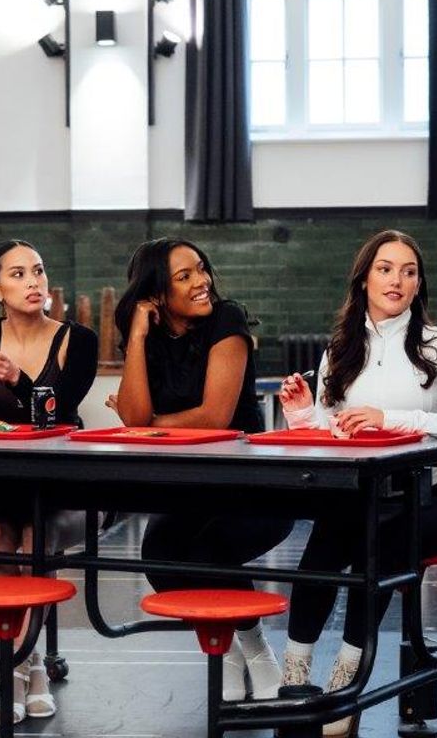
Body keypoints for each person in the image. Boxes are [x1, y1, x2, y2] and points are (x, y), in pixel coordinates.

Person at [276, 229, 437, 738]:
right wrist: (303, 417)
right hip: (359, 497)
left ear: (418, 285)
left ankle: (346, 686)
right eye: (386, 268)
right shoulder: (339, 349)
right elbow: (334, 429)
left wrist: (391, 419)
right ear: (365, 278)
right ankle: (294, 679)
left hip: (426, 498)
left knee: (383, 547)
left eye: (409, 271)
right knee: (321, 552)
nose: (398, 279)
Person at [111, 237, 293, 702]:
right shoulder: (146, 334)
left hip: (256, 483)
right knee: (159, 555)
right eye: (185, 276)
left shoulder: (226, 320)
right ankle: (229, 652)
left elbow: (214, 416)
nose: (202, 281)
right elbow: (133, 418)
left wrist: (152, 424)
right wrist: (136, 335)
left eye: (201, 269)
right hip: (195, 488)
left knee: (211, 551)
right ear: (156, 293)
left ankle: (256, 650)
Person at [0, 239, 98, 725]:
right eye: (17, 274)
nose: (33, 282)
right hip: (1, 477)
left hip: (63, 481)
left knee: (36, 539)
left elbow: (56, 413)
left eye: (37, 271)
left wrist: (17, 379)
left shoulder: (78, 340)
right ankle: (21, 664)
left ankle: (22, 670)